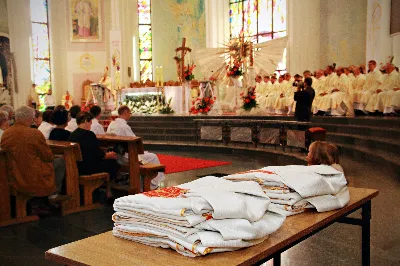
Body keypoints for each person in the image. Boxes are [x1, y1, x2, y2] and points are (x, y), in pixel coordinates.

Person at [1, 106, 66, 197]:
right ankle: (53, 193)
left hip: (14, 177)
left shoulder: (6, 133)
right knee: (61, 161)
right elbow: (47, 156)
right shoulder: (34, 133)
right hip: (32, 176)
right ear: (30, 119)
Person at [107, 105, 165, 190]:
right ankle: (151, 185)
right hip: (126, 156)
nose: (130, 115)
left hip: (115, 156)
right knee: (153, 157)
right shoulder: (124, 126)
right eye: (129, 113)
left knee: (147, 155)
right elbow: (135, 142)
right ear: (125, 113)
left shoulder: (112, 124)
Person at [69, 112, 119, 198]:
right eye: (90, 123)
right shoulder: (89, 134)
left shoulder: (72, 135)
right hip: (89, 168)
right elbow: (98, 154)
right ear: (85, 121)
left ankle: (100, 190)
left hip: (78, 166)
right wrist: (108, 155)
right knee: (113, 164)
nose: (90, 125)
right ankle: (108, 192)